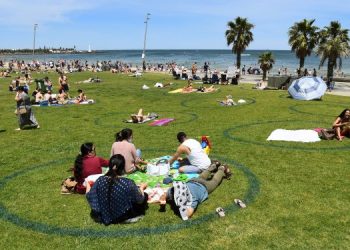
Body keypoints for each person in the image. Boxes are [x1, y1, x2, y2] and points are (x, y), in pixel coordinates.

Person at [86, 154, 148, 225]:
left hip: (102, 214)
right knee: (145, 196)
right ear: (122, 167)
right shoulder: (127, 183)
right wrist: (142, 188)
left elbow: (90, 196)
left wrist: (88, 185)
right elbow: (139, 199)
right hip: (122, 216)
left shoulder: (100, 180)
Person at [159, 163, 231, 220]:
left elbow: (188, 214)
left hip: (204, 187)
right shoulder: (174, 190)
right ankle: (214, 165)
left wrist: (181, 206)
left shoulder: (192, 199)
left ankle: (222, 168)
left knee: (214, 181)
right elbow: (165, 194)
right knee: (201, 177)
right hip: (193, 181)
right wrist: (163, 200)